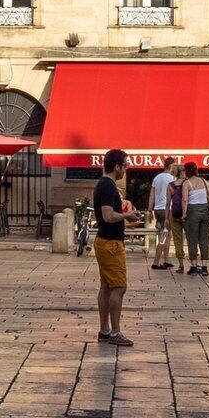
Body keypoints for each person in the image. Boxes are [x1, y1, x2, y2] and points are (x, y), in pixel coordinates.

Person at [87, 148, 138, 347]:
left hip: (105, 241)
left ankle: (104, 330)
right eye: (125, 165)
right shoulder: (108, 186)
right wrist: (127, 215)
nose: (126, 169)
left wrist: (127, 219)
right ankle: (115, 332)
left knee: (107, 287)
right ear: (117, 167)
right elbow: (108, 216)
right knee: (119, 287)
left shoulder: (103, 184)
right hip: (110, 244)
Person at [180, 160, 209, 275]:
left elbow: (185, 200)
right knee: (204, 239)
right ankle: (204, 267)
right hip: (205, 211)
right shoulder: (203, 181)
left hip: (192, 211)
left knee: (192, 239)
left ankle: (193, 266)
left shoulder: (186, 183)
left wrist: (184, 214)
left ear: (186, 171)